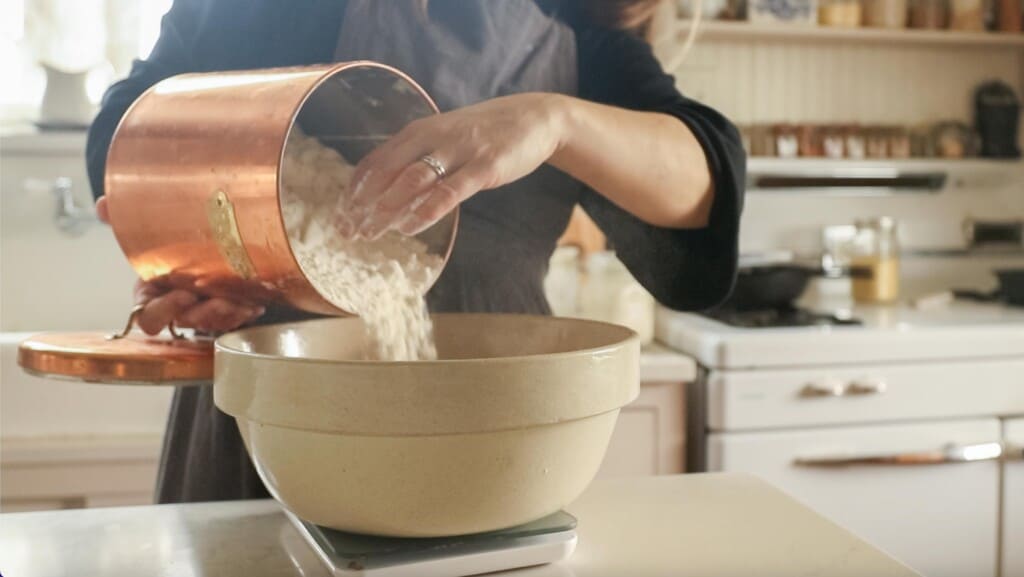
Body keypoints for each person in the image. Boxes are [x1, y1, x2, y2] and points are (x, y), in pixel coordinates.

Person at [87, 0, 746, 504]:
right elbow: (129, 119)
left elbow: (704, 192)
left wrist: (553, 121)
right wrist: (197, 242)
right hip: (271, 427)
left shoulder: (574, 27)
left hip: (486, 425)